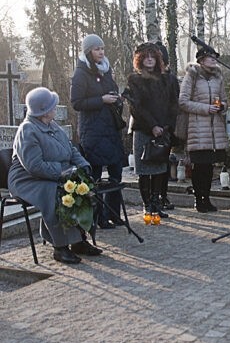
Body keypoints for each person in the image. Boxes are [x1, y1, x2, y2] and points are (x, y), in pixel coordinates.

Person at [9, 87, 102, 264]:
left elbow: (70, 150)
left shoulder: (52, 125)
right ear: (44, 111)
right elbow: (34, 166)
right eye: (52, 106)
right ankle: (60, 247)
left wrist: (83, 166)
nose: (55, 108)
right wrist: (63, 173)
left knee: (84, 190)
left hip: (54, 173)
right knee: (58, 193)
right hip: (26, 179)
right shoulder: (27, 130)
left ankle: (78, 240)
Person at [70, 34, 126, 229]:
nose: (101, 52)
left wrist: (116, 98)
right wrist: (101, 100)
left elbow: (111, 89)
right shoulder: (80, 73)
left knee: (116, 174)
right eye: (96, 49)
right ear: (88, 51)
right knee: (95, 176)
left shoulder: (106, 69)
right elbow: (76, 103)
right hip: (92, 131)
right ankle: (97, 217)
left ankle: (114, 214)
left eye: (102, 48)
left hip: (110, 129)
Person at [125, 42, 178, 218]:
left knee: (159, 170)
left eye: (152, 56)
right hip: (144, 130)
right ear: (140, 59)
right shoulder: (135, 80)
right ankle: (147, 205)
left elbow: (172, 105)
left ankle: (156, 203)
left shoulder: (167, 79)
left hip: (162, 131)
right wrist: (152, 125)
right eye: (146, 57)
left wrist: (166, 126)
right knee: (144, 170)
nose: (149, 60)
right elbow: (136, 107)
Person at [179, 47, 228, 213]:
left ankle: (206, 199)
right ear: (201, 60)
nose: (214, 59)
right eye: (210, 57)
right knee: (199, 165)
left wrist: (222, 107)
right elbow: (183, 101)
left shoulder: (218, 77)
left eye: (215, 56)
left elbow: (225, 100)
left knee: (209, 166)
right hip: (197, 127)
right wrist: (206, 108)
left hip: (214, 129)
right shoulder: (192, 75)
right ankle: (198, 199)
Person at [154, 41, 179, 211]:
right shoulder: (147, 78)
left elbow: (174, 103)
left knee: (164, 164)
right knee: (152, 164)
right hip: (151, 127)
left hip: (167, 127)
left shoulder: (171, 79)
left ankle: (163, 195)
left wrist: (169, 125)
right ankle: (152, 198)